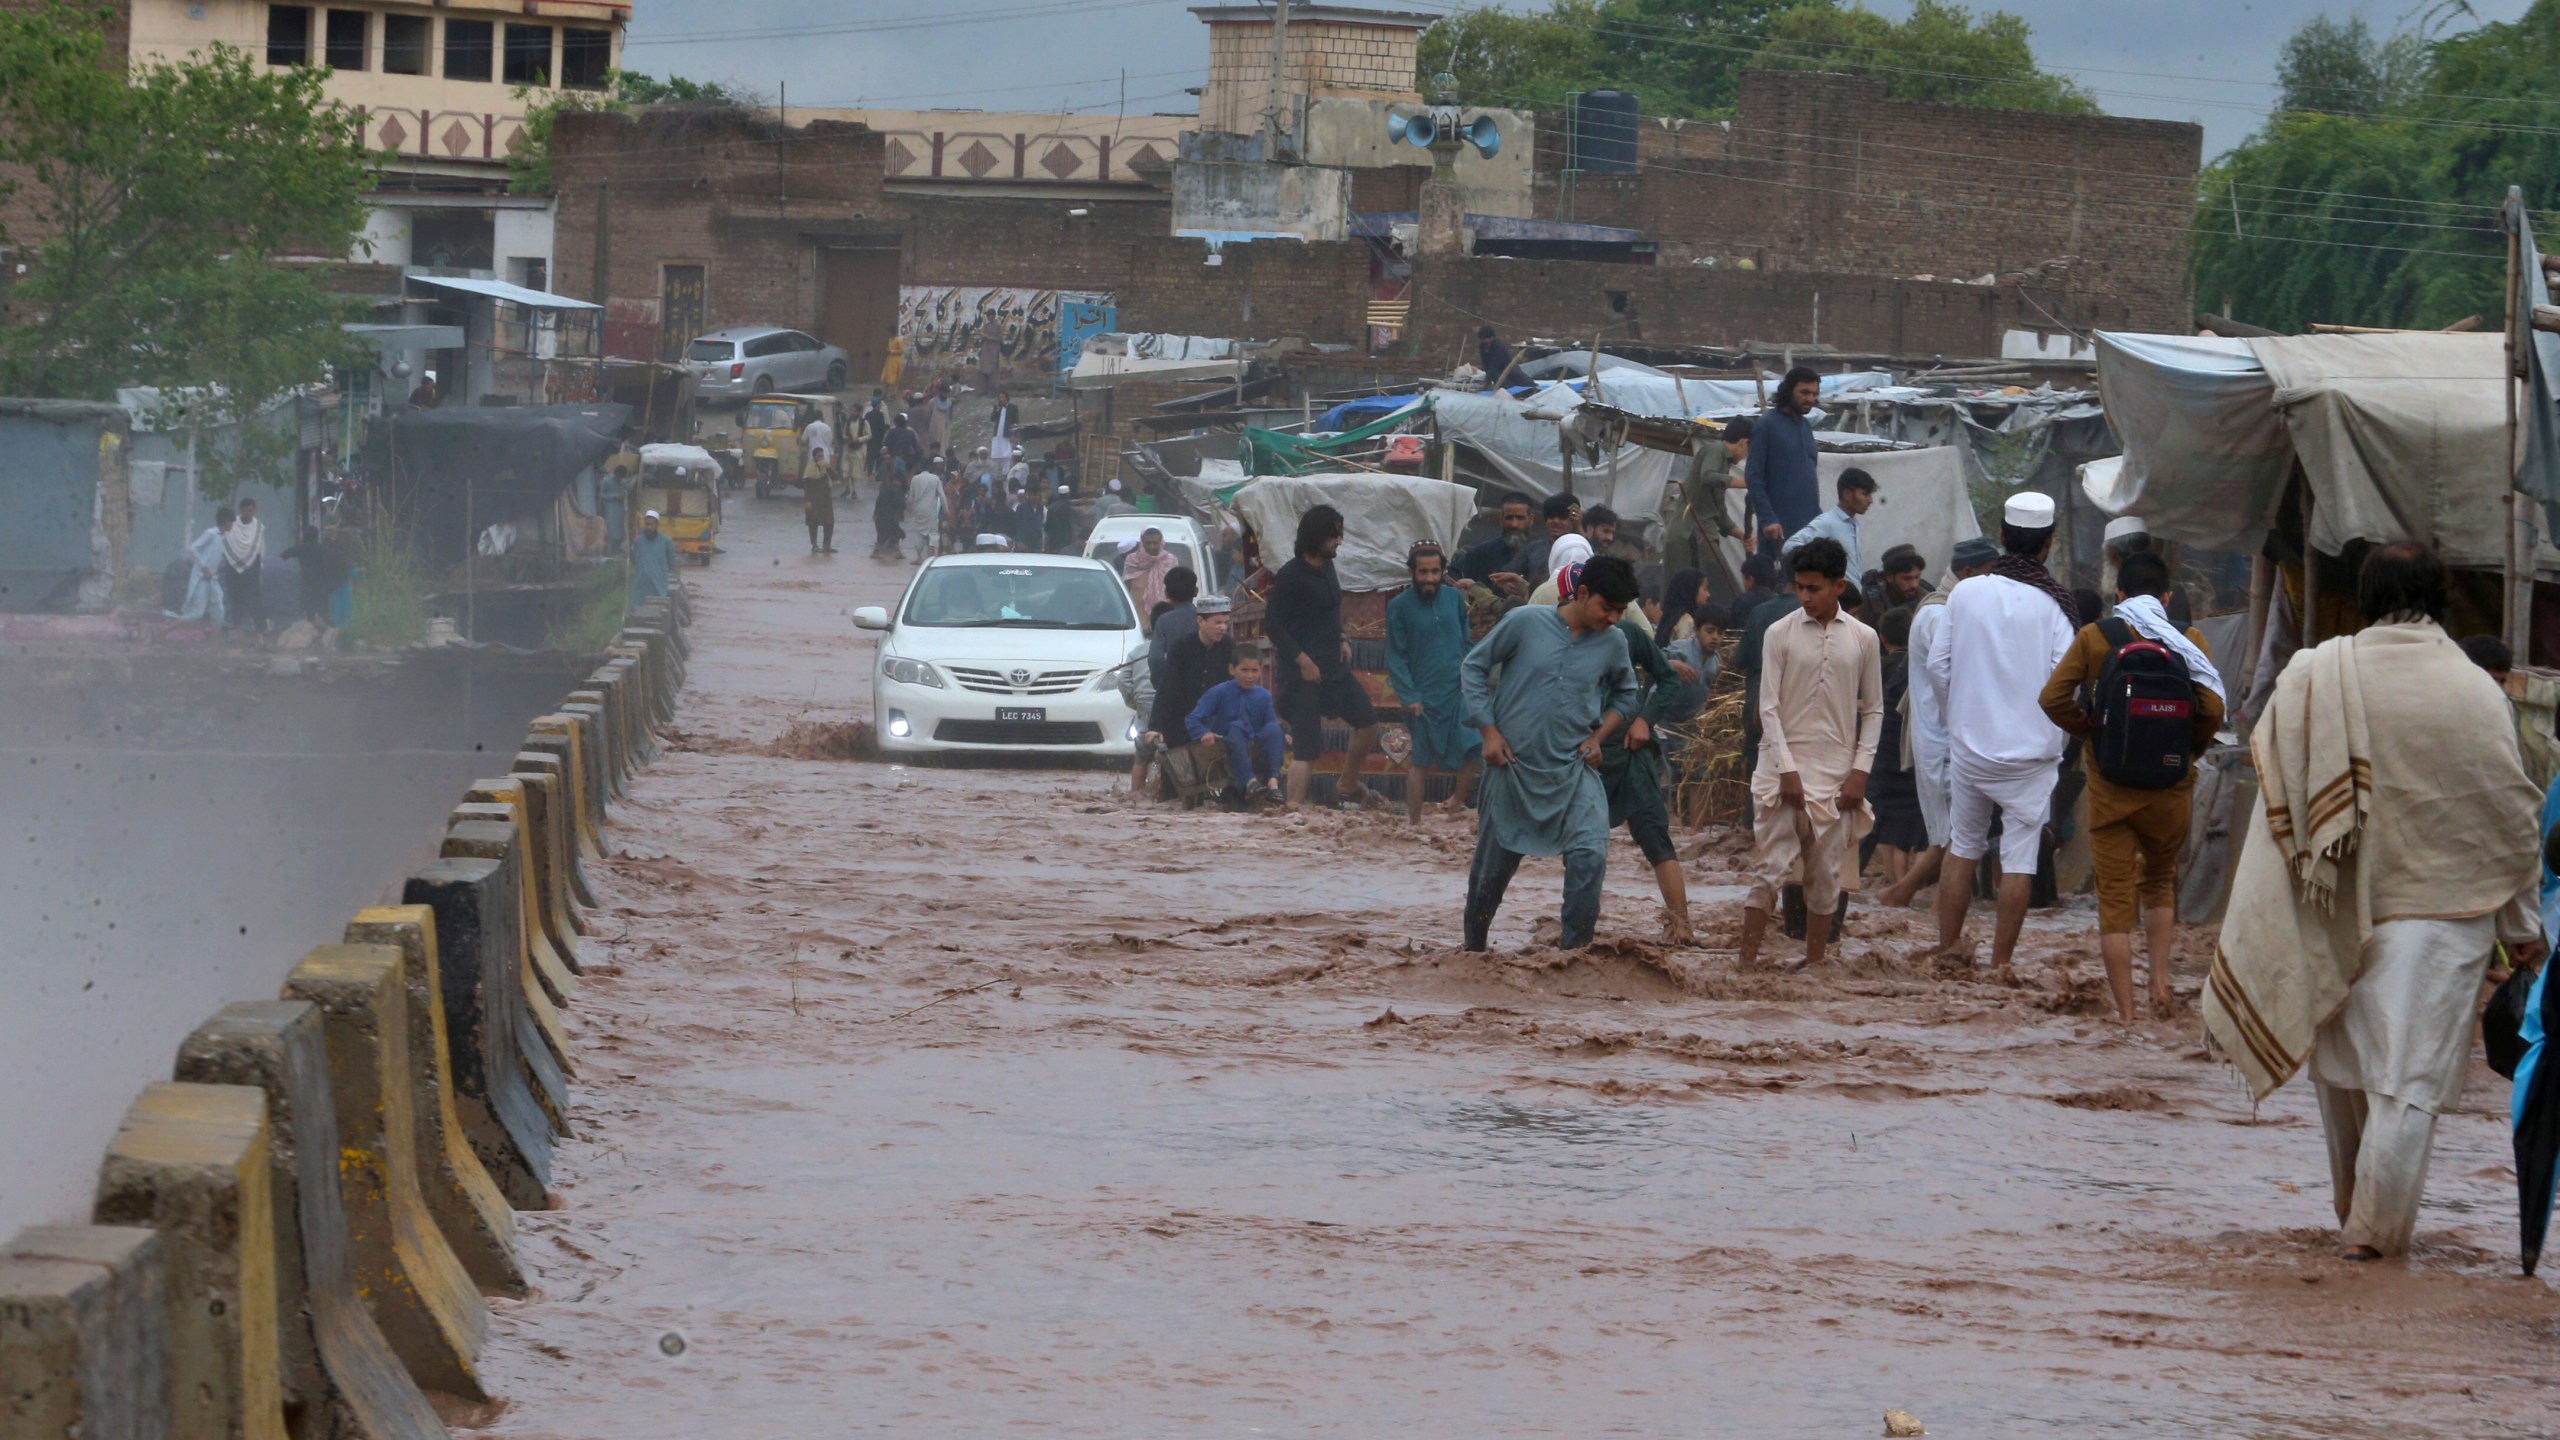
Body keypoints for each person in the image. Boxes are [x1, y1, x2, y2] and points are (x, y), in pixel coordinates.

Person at [2208, 542, 2544, 1260]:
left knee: (2344, 1077)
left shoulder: (2317, 672)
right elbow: (2508, 816)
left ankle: (2353, 1228)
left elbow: (2285, 803)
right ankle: (2374, 1242)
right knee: (2408, 1084)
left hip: (2333, 905)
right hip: (2445, 917)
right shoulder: (2474, 689)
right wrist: (2522, 930)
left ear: (2364, 594)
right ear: (2440, 596)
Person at [2035, 550, 2224, 1021]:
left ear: (2118, 595)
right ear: (2167, 597)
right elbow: (2214, 709)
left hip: (2111, 787)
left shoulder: (2096, 637)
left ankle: (2126, 1013)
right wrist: (2188, 750)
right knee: (2160, 883)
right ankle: (2160, 984)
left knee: (2115, 901)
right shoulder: (2189, 638)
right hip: (2171, 785)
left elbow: (2052, 698)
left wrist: (2092, 733)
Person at [1459, 555, 1642, 951]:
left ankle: (1573, 957)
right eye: (1606, 608)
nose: (1612, 618)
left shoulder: (1614, 642)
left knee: (1590, 854)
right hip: (1512, 767)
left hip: (1574, 770)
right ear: (1582, 593)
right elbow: (1474, 667)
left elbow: (1628, 695)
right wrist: (1488, 732)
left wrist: (1599, 736)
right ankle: (1472, 953)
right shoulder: (1525, 622)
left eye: (1620, 611)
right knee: (1491, 874)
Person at [1925, 493, 2077, 968]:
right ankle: (1999, 967)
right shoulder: (2056, 607)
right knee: (2019, 860)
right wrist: (2057, 742)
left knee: (1963, 845)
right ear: (2049, 544)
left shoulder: (1967, 592)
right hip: (2032, 756)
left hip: (1971, 747)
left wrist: (1959, 721)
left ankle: (1950, 954)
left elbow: (1938, 666)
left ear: (2004, 539)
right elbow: (2065, 682)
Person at [1738, 537, 1883, 970]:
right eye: (1800, 587)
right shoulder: (1778, 633)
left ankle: (1815, 967)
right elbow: (1768, 707)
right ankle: (1744, 965)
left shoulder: (1864, 639)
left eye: (1814, 588)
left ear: (1839, 586)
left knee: (1826, 877)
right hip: (1781, 769)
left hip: (1837, 773)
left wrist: (1860, 771)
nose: (1805, 596)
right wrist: (1787, 770)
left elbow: (1873, 710)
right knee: (1771, 868)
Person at [1877, 537, 2000, 909]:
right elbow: (1954, 674)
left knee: (1954, 835)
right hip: (1943, 740)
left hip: (1954, 738)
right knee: (1954, 837)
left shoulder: (1953, 610)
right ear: (1967, 574)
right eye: (1988, 577)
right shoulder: (1936, 615)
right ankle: (1918, 900)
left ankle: (1907, 895)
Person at [1598, 569, 1699, 944]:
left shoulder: (1627, 634)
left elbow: (1666, 678)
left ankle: (1681, 925)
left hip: (1631, 752)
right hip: (1584, 755)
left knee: (1655, 835)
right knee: (1582, 843)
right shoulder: (1561, 638)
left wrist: (1645, 719)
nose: (1608, 618)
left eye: (1616, 609)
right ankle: (1578, 928)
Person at [1264, 505, 1384, 807]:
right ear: (1316, 537)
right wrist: (1302, 661)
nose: (1339, 542)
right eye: (1334, 536)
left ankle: (1347, 783)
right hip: (1300, 674)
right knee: (1307, 749)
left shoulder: (1328, 568)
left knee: (1368, 723)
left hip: (1334, 667)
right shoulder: (1290, 576)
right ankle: (1292, 815)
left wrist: (1341, 637)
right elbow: (1273, 626)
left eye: (1340, 535)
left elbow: (1331, 609)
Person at [1385, 542, 1482, 822]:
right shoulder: (1399, 607)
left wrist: (1470, 679)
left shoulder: (1454, 599)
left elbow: (1466, 643)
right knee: (1421, 762)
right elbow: (1395, 656)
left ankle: (1456, 803)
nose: (1429, 578)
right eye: (1423, 572)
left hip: (1455, 691)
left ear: (1442, 572)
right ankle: (1413, 825)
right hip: (1422, 698)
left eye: (1434, 571)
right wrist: (1409, 695)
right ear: (1412, 573)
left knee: (1475, 748)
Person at [1148, 592, 1236, 776]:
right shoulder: (1181, 648)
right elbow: (1167, 688)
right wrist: (1156, 726)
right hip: (1180, 722)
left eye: (1226, 623)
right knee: (1176, 778)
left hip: (1215, 724)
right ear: (1200, 621)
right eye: (1217, 623)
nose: (1222, 628)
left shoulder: (1229, 647)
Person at [1187, 645, 1287, 806]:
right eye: (1244, 670)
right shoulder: (1218, 692)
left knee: (1275, 729)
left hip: (1254, 744)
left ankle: (1273, 782)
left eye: (1254, 671)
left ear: (1261, 670)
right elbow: (1193, 718)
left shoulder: (1263, 696)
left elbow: (1269, 724)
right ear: (1232, 670)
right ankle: (1249, 781)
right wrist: (1204, 733)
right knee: (1236, 728)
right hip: (1227, 744)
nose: (1250, 676)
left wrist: (1281, 736)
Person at [1744, 366, 1822, 555]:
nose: (1810, 399)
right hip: (1778, 531)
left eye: (1814, 394)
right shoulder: (1767, 425)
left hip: (1809, 529)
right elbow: (1753, 476)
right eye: (1804, 393)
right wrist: (1767, 519)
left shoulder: (1805, 427)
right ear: (1788, 391)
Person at [1667, 417, 1751, 571]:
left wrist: (1743, 536)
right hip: (1690, 535)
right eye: (1748, 450)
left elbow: (1719, 513)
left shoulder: (1723, 464)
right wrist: (1748, 482)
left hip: (1702, 535)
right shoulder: (1716, 450)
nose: (1746, 455)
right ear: (1744, 442)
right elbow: (1708, 477)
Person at [1782, 467, 1877, 580]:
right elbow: (1789, 546)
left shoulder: (1853, 524)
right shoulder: (1827, 521)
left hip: (1853, 595)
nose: (1870, 500)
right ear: (1847, 494)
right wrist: (1820, 564)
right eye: (1865, 494)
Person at [1456, 491, 1536, 594]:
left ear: (1531, 519)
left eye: (1520, 518)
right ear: (1501, 519)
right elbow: (1454, 575)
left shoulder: (1544, 552)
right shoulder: (1481, 553)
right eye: (1509, 517)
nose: (1514, 524)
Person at [169, 507, 232, 623]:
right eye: (232, 522)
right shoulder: (211, 533)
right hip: (202, 578)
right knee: (197, 614)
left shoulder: (223, 537)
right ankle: (162, 632)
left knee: (219, 611)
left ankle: (215, 641)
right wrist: (204, 568)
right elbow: (193, 548)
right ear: (227, 522)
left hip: (212, 579)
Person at [280, 524, 343, 628]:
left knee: (309, 609)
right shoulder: (322, 549)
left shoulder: (301, 548)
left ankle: (310, 627)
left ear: (305, 536)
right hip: (321, 583)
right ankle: (324, 629)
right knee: (323, 609)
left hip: (307, 583)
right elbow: (333, 563)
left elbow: (284, 555)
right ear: (316, 536)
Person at [221, 496, 267, 633]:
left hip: (252, 564)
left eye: (250, 511)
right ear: (240, 511)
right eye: (244, 511)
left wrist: (260, 565)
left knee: (254, 598)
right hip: (233, 565)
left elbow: (260, 547)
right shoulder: (232, 524)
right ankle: (236, 629)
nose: (247, 513)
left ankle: (260, 631)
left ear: (254, 511)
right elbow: (226, 540)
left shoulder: (259, 527)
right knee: (235, 597)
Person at [1519, 492, 1579, 585]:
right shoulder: (1532, 549)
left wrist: (1580, 528)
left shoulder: (1584, 550)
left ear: (1574, 518)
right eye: (1551, 516)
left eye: (1562, 517)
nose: (1555, 521)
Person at [1122, 527, 1180, 615]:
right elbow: (1126, 589)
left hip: (1166, 615)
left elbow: (1176, 590)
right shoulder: (1132, 560)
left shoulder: (1170, 561)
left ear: (1161, 542)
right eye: (1148, 543)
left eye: (1155, 543)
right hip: (1139, 615)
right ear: (1142, 542)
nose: (1152, 547)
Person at [629, 510, 676, 608]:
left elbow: (672, 564)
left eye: (652, 524)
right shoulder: (638, 541)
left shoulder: (667, 542)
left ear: (657, 525)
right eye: (647, 524)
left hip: (658, 586)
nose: (649, 527)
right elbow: (634, 561)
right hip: (640, 587)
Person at [902, 460, 944, 564]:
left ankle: (919, 557)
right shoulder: (935, 478)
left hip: (919, 510)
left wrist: (908, 508)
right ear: (930, 467)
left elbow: (911, 497)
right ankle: (934, 555)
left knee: (919, 533)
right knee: (933, 532)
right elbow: (942, 495)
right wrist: (946, 509)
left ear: (920, 467)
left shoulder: (915, 479)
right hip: (931, 509)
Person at [802, 444, 836, 554]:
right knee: (813, 522)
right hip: (814, 499)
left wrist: (828, 468)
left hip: (826, 499)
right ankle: (814, 545)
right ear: (815, 457)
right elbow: (807, 486)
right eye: (819, 456)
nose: (821, 458)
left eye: (822, 455)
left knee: (829, 522)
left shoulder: (826, 467)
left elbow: (835, 477)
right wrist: (807, 501)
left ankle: (827, 545)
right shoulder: (810, 469)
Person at [1877, 544, 1931, 609]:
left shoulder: (1928, 595)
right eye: (1907, 579)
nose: (1914, 585)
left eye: (1917, 577)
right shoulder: (1872, 599)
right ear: (1889, 577)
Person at [1477, 325, 1515, 389]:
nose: (1487, 342)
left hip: (1507, 373)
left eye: (1489, 339)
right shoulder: (1482, 346)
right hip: (1495, 375)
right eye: (1484, 340)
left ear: (1492, 337)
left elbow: (1493, 366)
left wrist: (1486, 383)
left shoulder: (1499, 347)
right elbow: (1485, 363)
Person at [1045, 483, 1077, 554]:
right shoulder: (1068, 506)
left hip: (1053, 538)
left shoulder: (1052, 507)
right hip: (1065, 537)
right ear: (1068, 494)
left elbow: (1047, 526)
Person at [880, 328, 906, 393]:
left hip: (896, 361)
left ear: (893, 332)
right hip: (889, 361)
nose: (888, 334)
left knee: (893, 380)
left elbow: (901, 351)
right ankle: (884, 394)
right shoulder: (890, 340)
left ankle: (893, 395)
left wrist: (891, 351)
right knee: (884, 379)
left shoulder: (898, 340)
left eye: (889, 332)